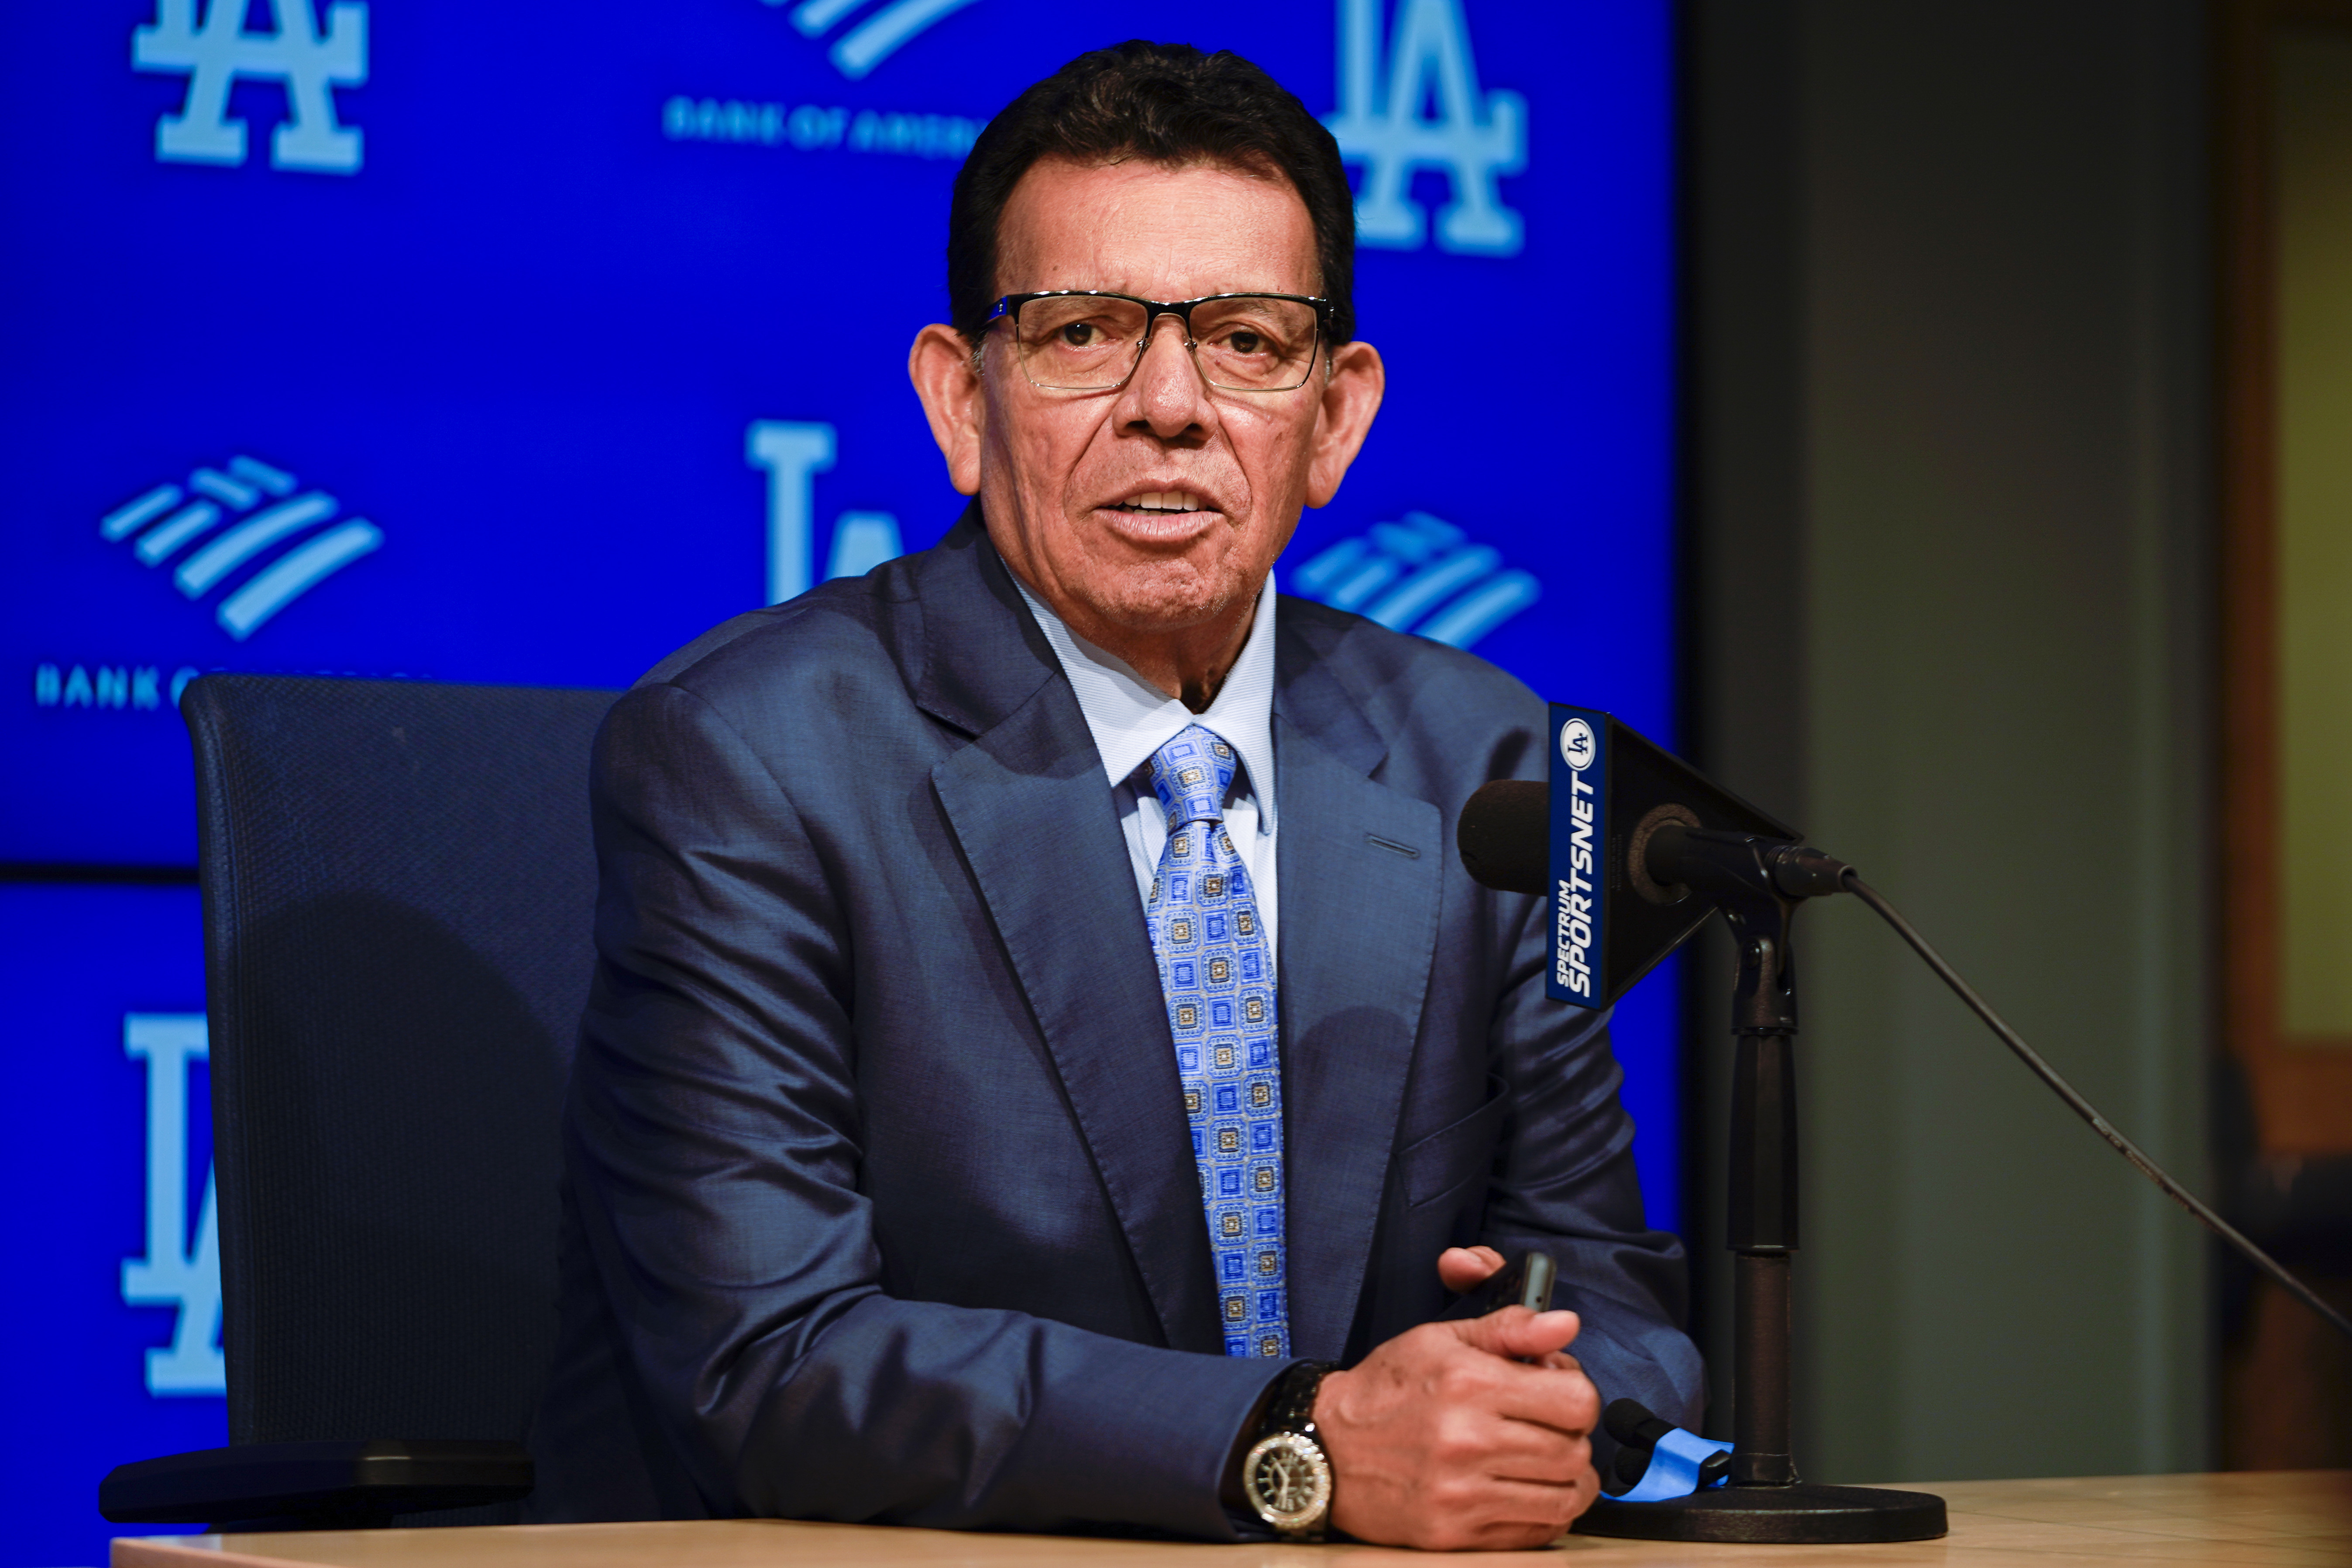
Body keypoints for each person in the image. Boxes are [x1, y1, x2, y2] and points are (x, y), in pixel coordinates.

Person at [530, 41, 1701, 1551]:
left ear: (1335, 418)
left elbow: (1607, 1292)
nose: (1168, 406)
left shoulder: (1480, 760)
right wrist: (1304, 1440)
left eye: (1246, 341)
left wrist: (1530, 1402)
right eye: (1082, 332)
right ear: (962, 401)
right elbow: (770, 1362)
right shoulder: (753, 756)